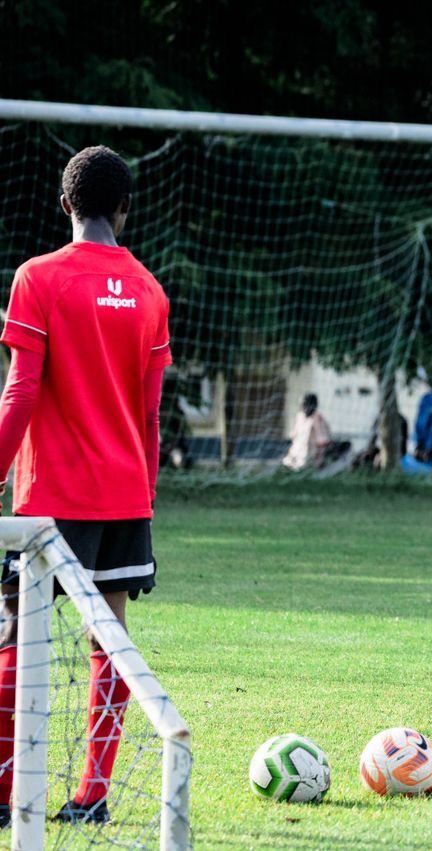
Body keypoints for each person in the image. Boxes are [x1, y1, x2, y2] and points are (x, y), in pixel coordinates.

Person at [0, 145, 171, 826]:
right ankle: (94, 794)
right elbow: (152, 413)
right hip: (125, 496)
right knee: (111, 643)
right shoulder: (152, 291)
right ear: (125, 210)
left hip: (50, 501)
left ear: (65, 204)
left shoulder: (38, 277)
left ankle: (8, 785)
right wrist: (143, 492)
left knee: (16, 636)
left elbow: (20, 389)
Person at [282, 393, 332, 471]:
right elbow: (323, 441)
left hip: (299, 457)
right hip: (301, 457)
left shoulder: (307, 417)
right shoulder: (307, 417)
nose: (303, 407)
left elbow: (292, 436)